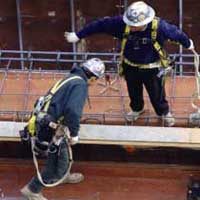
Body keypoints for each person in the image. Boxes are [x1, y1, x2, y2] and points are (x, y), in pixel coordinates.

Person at [64, 1, 195, 127]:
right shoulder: (121, 23)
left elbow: (177, 34)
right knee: (133, 90)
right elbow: (100, 25)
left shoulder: (160, 27)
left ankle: (163, 112)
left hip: (152, 68)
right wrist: (79, 35)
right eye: (130, 24)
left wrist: (187, 43)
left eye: (135, 25)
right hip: (130, 65)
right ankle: (137, 109)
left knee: (157, 93)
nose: (132, 27)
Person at [20, 58, 105, 200]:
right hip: (52, 129)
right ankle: (32, 190)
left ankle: (62, 175)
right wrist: (74, 134)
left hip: (47, 123)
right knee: (56, 163)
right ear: (92, 76)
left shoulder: (71, 77)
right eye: (96, 80)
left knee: (62, 155)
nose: (94, 83)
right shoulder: (80, 85)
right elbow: (73, 111)